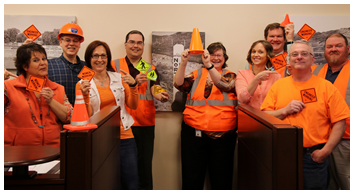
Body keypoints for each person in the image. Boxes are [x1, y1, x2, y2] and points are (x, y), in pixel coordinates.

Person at [261, 40, 349, 190]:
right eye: (295, 54)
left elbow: (340, 121)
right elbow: (264, 117)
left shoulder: (326, 87)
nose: (299, 57)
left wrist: (325, 152)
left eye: (304, 54)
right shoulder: (278, 86)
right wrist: (284, 110)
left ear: (312, 59)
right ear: (289, 60)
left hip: (314, 157)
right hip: (282, 155)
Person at [75, 40, 140, 190]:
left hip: (124, 135)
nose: (99, 59)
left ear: (108, 58)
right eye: (95, 56)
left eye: (103, 56)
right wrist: (84, 95)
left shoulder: (119, 77)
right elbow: (86, 116)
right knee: (104, 182)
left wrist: (133, 86)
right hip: (99, 138)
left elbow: (133, 105)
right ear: (89, 59)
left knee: (131, 182)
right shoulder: (82, 83)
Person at [111, 30, 170, 190]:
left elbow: (154, 87)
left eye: (139, 43)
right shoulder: (114, 65)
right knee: (119, 171)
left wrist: (161, 94)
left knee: (144, 170)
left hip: (144, 125)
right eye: (132, 42)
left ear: (143, 46)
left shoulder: (149, 68)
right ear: (125, 45)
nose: (135, 46)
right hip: (119, 126)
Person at [174, 42, 237, 190]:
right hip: (194, 133)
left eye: (219, 55)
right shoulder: (197, 74)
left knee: (221, 178)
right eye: (212, 54)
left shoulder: (231, 75)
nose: (215, 58)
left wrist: (209, 66)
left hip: (223, 136)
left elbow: (225, 85)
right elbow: (179, 85)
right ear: (205, 56)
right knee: (192, 178)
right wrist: (183, 63)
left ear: (224, 57)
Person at [4, 43, 73, 149]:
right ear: (25, 66)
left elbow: (69, 117)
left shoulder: (57, 88)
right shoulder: (8, 87)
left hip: (53, 152)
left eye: (44, 59)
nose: (43, 63)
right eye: (36, 60)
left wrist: (51, 101)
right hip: (18, 154)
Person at [312, 33, 350, 190]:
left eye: (338, 46)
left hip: (346, 140)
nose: (333, 49)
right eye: (330, 46)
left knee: (345, 181)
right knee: (326, 184)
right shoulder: (315, 71)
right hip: (318, 140)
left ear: (348, 49)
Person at [24, 22, 86, 105]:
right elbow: (25, 79)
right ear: (60, 42)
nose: (71, 43)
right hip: (53, 116)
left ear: (79, 44)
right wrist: (24, 55)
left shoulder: (87, 67)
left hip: (83, 115)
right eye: (67, 40)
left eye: (75, 41)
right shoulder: (47, 65)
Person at [236, 40, 281, 109]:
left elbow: (279, 101)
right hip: (248, 118)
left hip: (269, 118)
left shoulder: (276, 76)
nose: (256, 55)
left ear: (268, 55)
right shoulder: (242, 74)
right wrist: (257, 79)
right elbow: (243, 99)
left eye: (260, 52)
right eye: (253, 52)